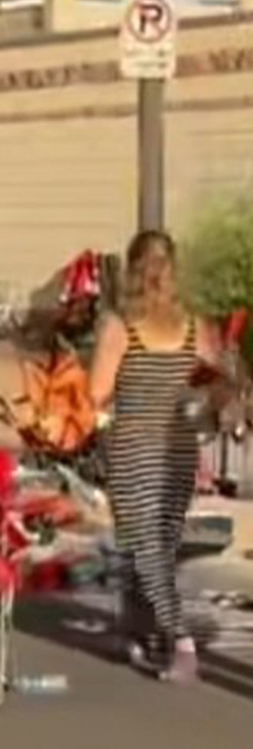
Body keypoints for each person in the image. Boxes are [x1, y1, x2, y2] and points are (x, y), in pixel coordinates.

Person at [88, 230, 221, 683]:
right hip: (180, 449)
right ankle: (140, 630)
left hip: (133, 449)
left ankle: (180, 642)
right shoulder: (194, 328)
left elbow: (97, 393)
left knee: (144, 549)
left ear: (132, 269)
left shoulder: (119, 326)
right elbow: (217, 381)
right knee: (160, 545)